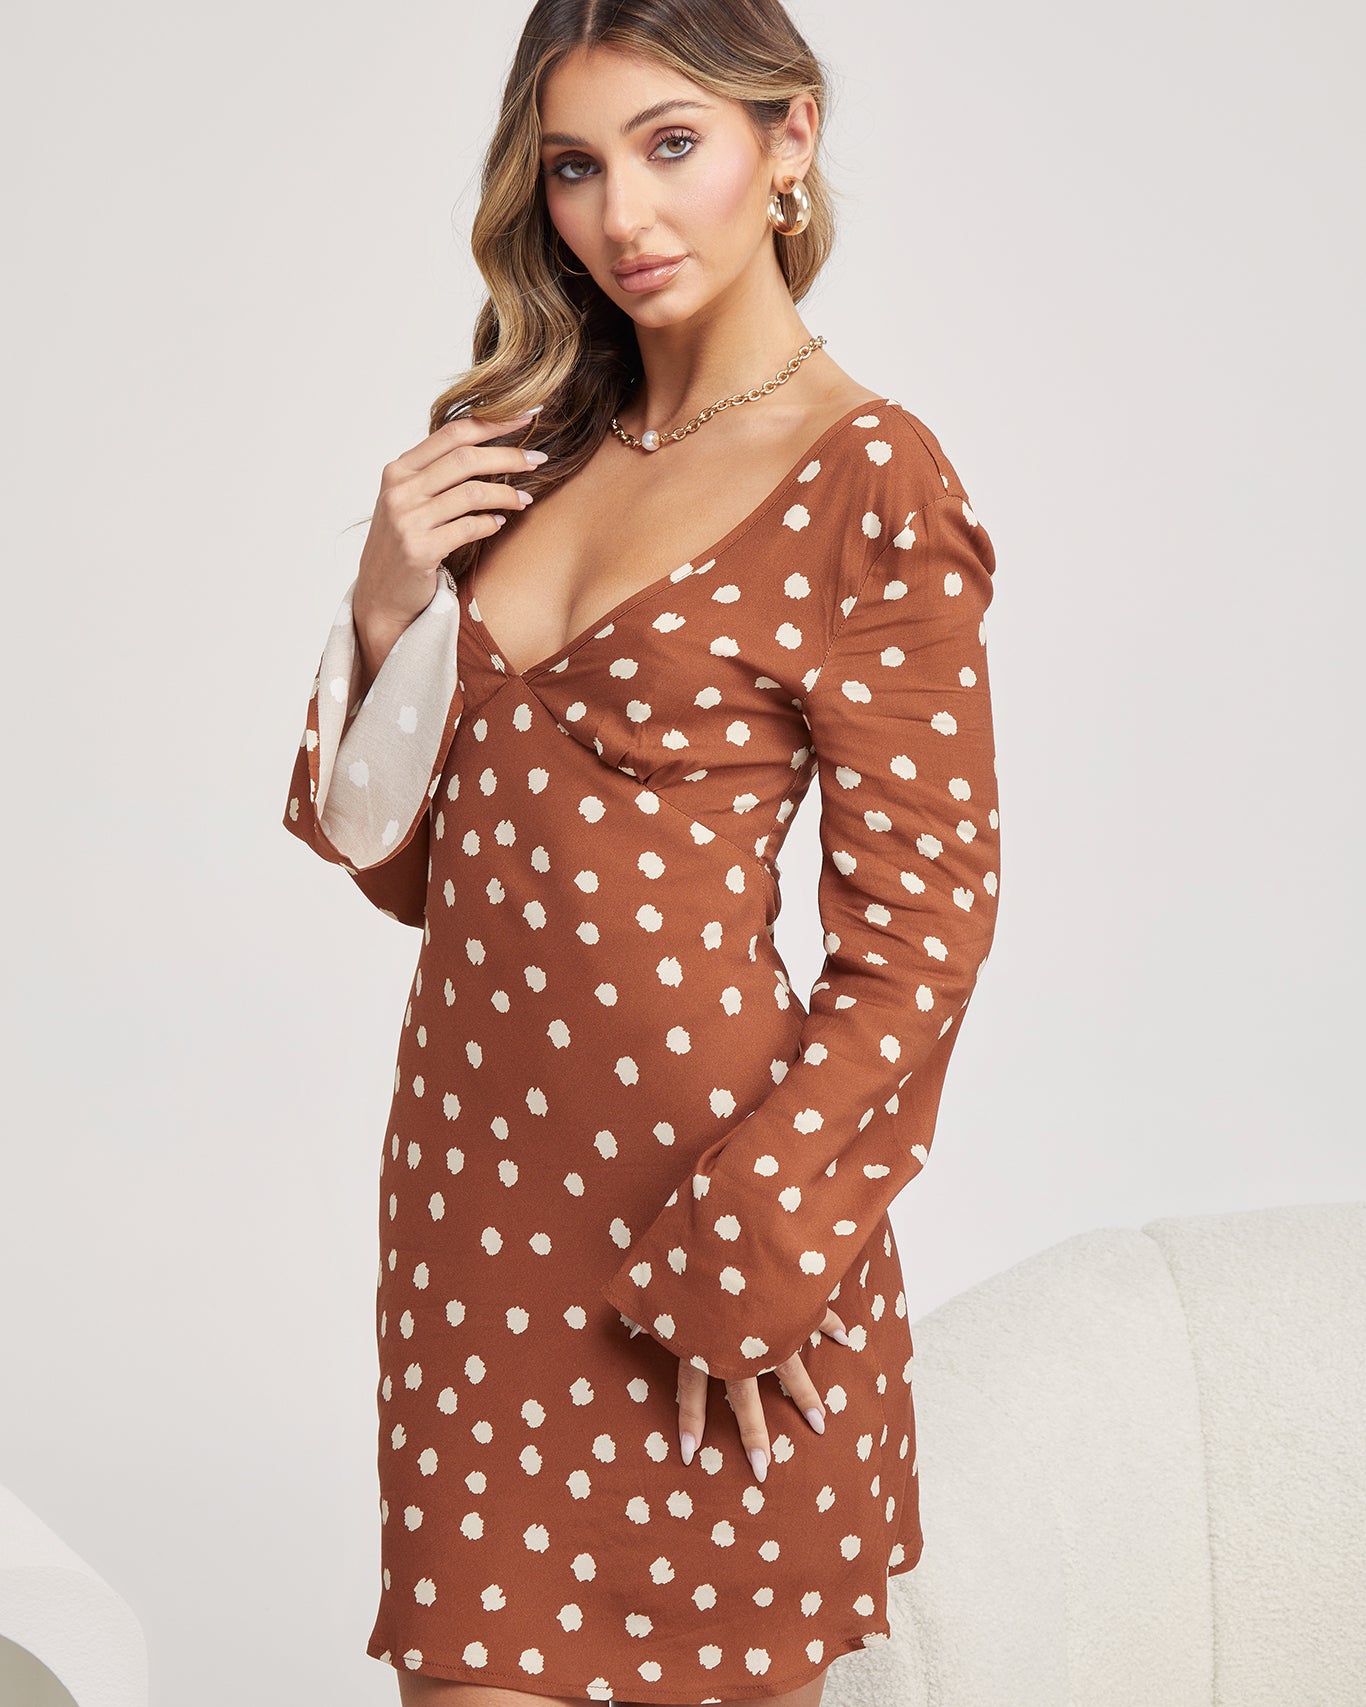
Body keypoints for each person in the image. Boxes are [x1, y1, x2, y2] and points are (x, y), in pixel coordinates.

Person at [281, 3, 1002, 1705]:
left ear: (789, 144)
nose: (624, 217)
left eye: (673, 144)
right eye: (577, 167)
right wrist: (390, 609)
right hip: (477, 1223)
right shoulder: (522, 449)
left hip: (722, 1228)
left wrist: (750, 1250)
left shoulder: (869, 479)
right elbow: (402, 865)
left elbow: (925, 933)